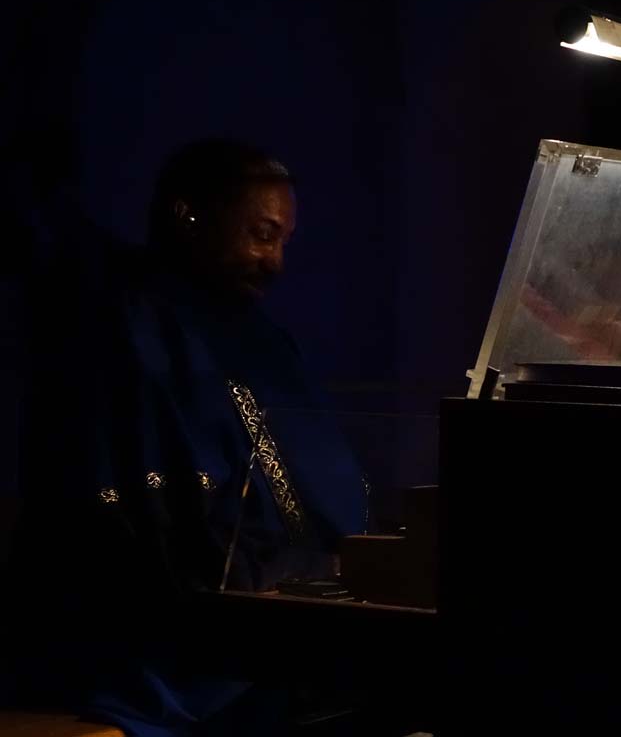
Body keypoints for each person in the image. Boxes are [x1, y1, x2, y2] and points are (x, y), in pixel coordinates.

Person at [10, 139, 369, 736]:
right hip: (167, 638)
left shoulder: (261, 339)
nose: (275, 261)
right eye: (262, 234)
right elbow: (150, 523)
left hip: (278, 618)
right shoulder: (126, 321)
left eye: (284, 241)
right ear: (189, 216)